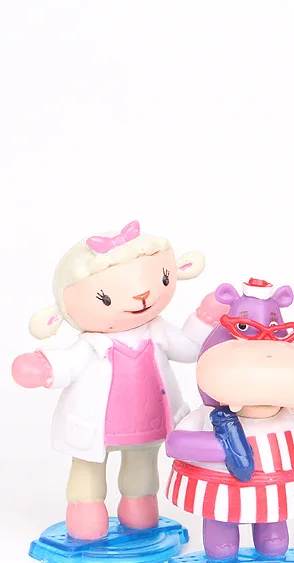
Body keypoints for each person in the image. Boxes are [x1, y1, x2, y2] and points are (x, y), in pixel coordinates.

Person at [11, 220, 225, 539]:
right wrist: (44, 366)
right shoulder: (90, 344)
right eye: (106, 298)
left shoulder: (158, 329)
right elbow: (67, 363)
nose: (141, 297)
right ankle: (86, 512)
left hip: (147, 419)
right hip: (96, 424)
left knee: (142, 468)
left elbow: (190, 349)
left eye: (162, 278)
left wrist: (205, 319)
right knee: (88, 469)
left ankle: (139, 511)